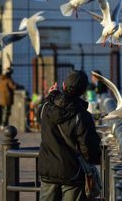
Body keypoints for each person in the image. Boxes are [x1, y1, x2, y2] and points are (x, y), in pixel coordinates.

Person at [38, 70, 101, 201]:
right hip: (72, 172)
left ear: (64, 85)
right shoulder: (82, 116)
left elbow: (42, 113)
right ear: (83, 92)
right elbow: (88, 149)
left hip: (48, 169)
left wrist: (51, 96)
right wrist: (97, 159)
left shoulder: (45, 108)